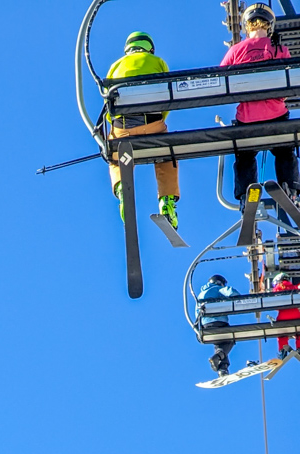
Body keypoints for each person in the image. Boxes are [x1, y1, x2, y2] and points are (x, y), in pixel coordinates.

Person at [220, 4, 300, 204]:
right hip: (275, 115)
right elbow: (290, 80)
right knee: (285, 151)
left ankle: (246, 194)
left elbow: (221, 79)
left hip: (248, 119)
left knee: (245, 156)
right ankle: (290, 188)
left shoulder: (236, 50)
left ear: (248, 26)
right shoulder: (279, 49)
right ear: (269, 25)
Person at [106, 32, 180, 229]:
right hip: (153, 124)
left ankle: (122, 188)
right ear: (150, 48)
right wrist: (157, 121)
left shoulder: (115, 66)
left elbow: (108, 107)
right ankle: (167, 200)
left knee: (113, 154)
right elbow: (168, 99)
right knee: (166, 152)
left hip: (123, 128)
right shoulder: (158, 62)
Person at [196, 273, 241, 375]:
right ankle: (218, 357)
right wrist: (237, 297)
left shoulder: (201, 294)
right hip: (219, 321)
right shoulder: (217, 289)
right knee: (230, 338)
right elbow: (231, 292)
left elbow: (197, 313)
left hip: (206, 325)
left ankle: (223, 368)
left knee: (219, 343)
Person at [272, 271, 300, 356]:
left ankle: (282, 350)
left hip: (283, 315)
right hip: (297, 314)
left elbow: (275, 305)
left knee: (281, 333)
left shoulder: (277, 288)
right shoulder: (294, 287)